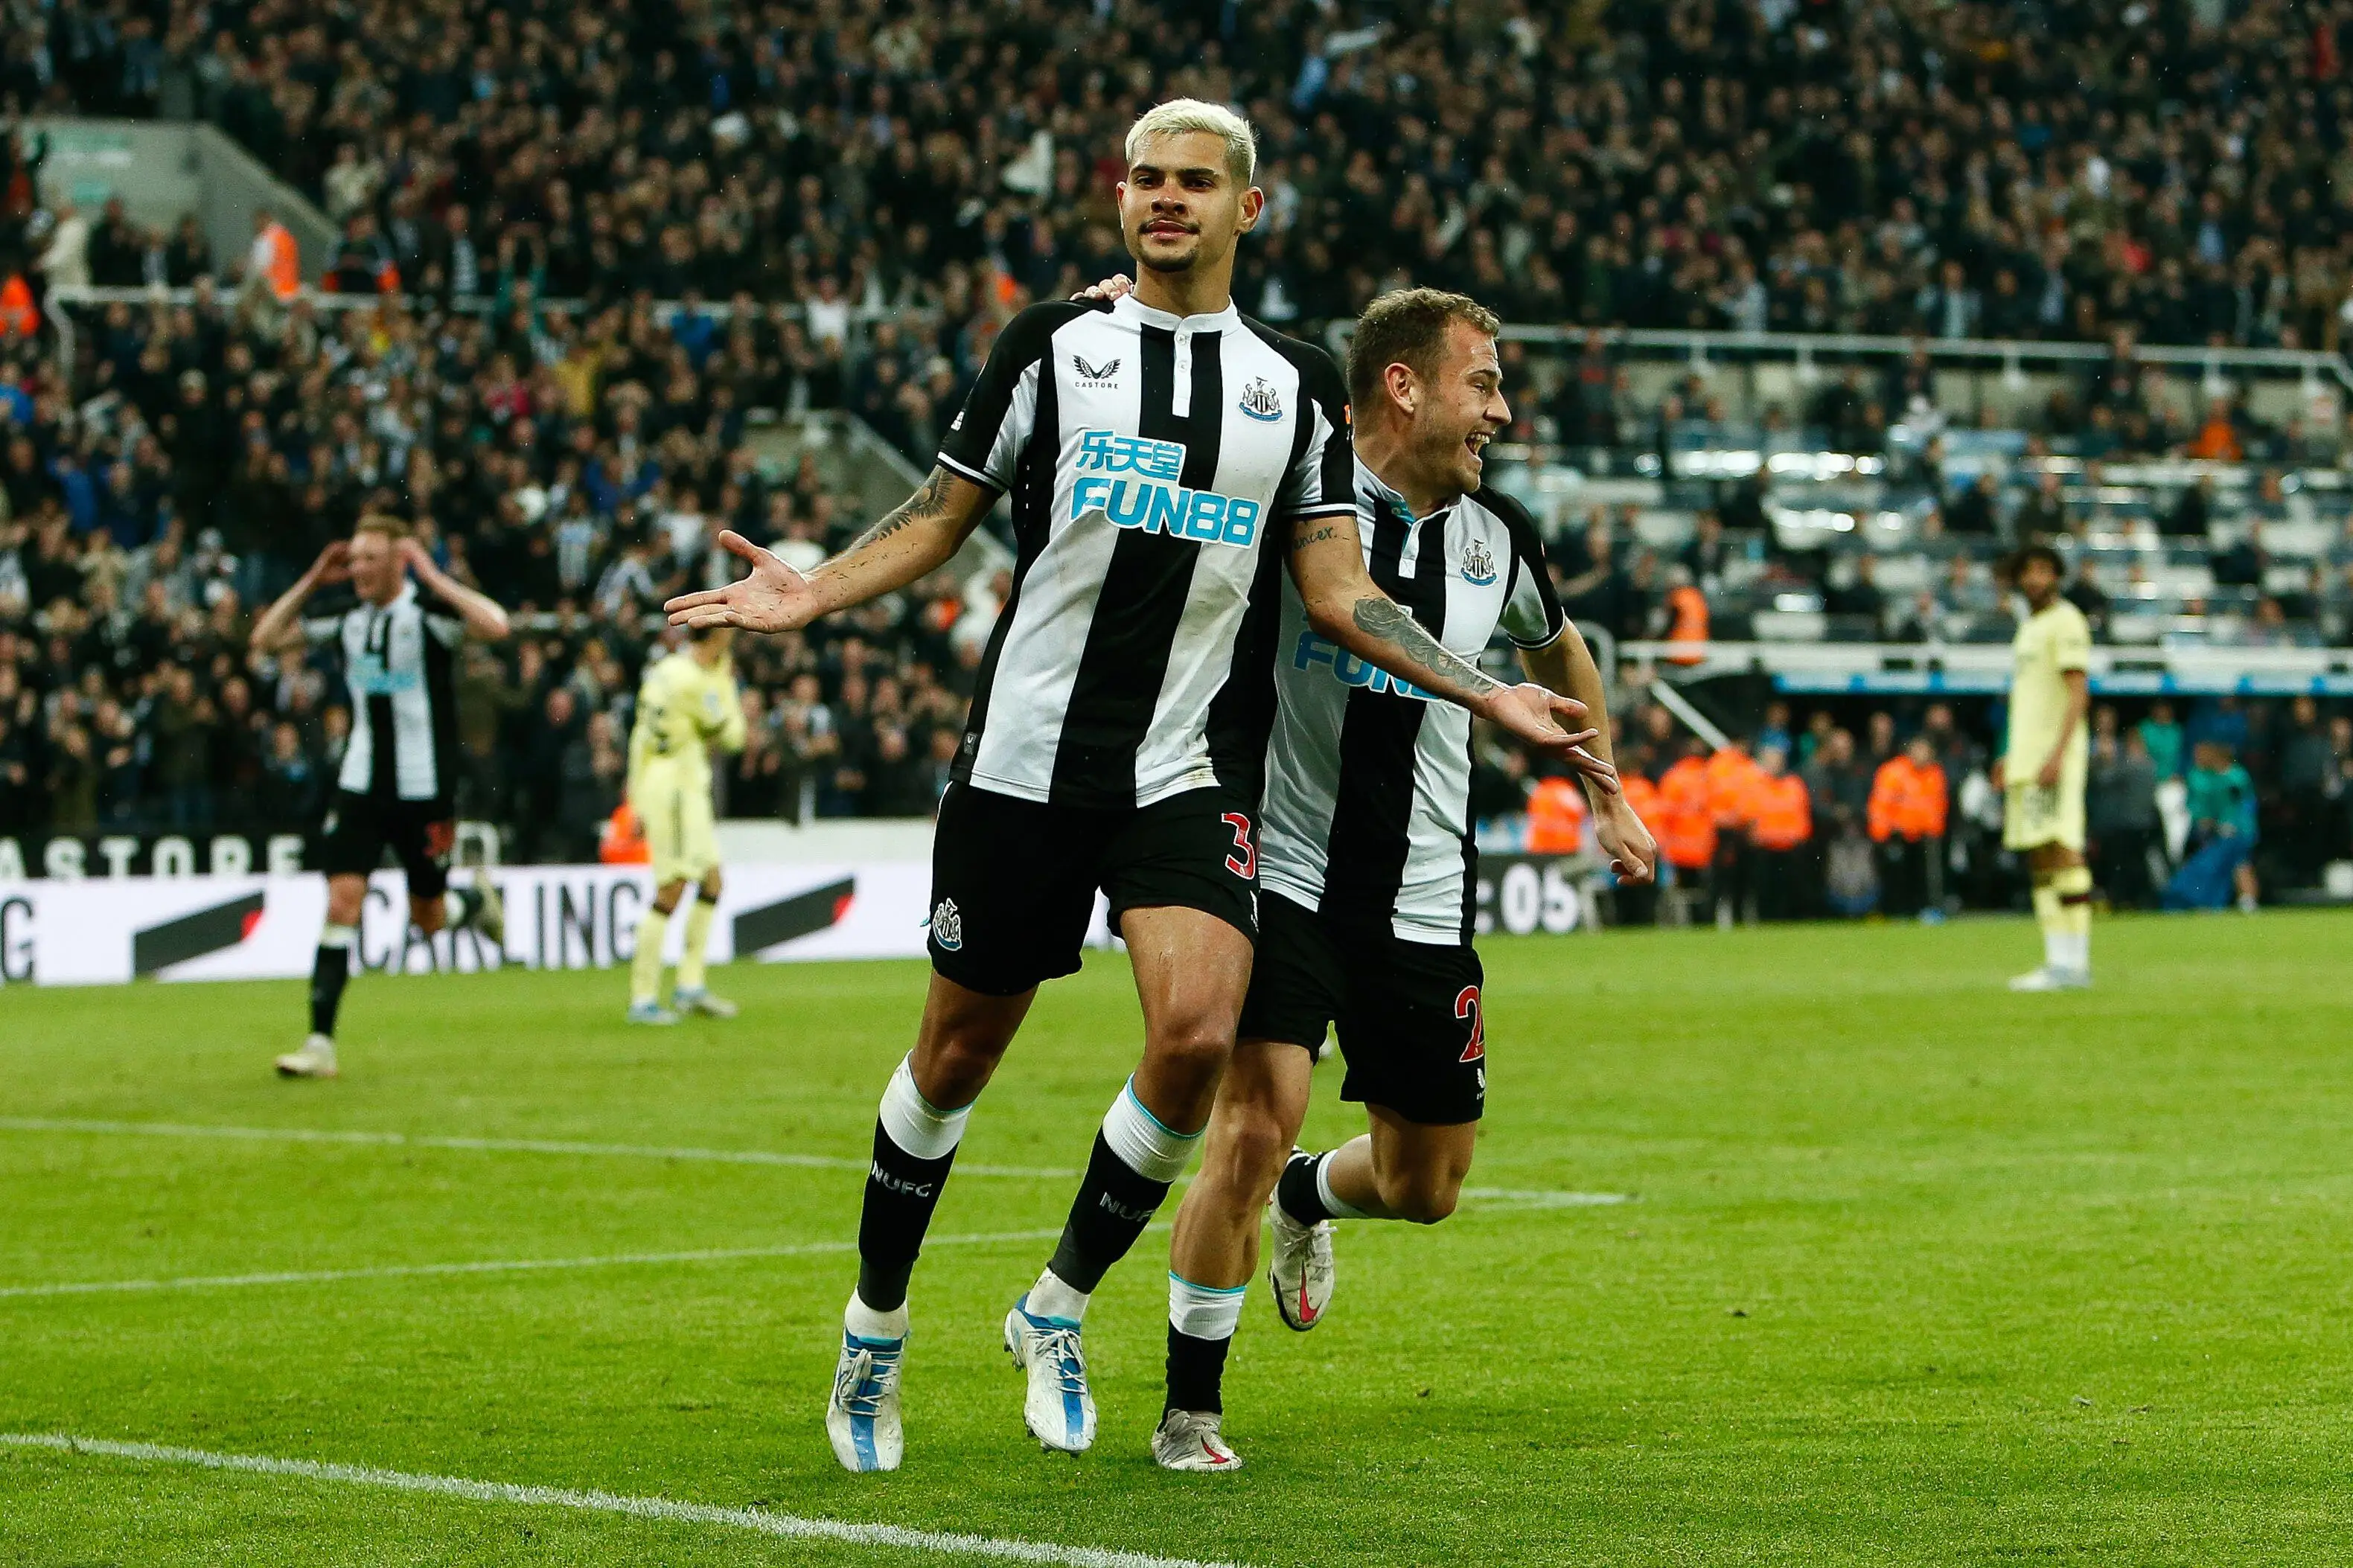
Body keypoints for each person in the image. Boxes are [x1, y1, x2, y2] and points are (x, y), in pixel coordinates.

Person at [663, 101, 1607, 1476]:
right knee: (955, 1057)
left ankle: (1054, 1306)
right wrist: (812, 590)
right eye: (1144, 181)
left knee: (1193, 1030)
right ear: (1121, 200)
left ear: (1247, 208)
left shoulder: (1287, 382)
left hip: (1182, 766)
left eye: (1193, 183)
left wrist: (1491, 691)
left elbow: (1339, 591)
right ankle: (873, 1330)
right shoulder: (1053, 342)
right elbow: (942, 512)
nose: (1163, 200)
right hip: (1026, 757)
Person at [1154, 287, 1656, 1472]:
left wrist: (1607, 781)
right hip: (1275, 865)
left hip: (1425, 890)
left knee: (1427, 1184)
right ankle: (1190, 1410)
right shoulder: (1296, 499)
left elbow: (1554, 641)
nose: (1503, 409)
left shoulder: (1497, 534)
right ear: (1403, 384)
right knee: (1246, 1117)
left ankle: (1308, 1196)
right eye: (1482, 383)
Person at [247, 517, 510, 1078]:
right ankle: (320, 1042)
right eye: (355, 558)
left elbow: (497, 626)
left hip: (426, 790)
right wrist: (313, 581)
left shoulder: (430, 618)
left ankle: (475, 904)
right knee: (342, 903)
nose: (358, 569)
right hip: (361, 783)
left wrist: (433, 574)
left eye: (371, 558)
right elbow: (264, 639)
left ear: (397, 563)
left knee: (430, 918)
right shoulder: (346, 618)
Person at [624, 626, 747, 1024]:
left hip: (671, 785)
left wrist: (637, 797)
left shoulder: (664, 671)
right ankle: (643, 998)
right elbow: (731, 737)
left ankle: (690, 985)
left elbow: (639, 737)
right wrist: (725, 684)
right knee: (672, 888)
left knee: (712, 882)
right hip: (677, 789)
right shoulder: (697, 682)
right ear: (718, 638)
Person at [1996, 544, 2095, 989]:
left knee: (2062, 846)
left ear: (2057, 576)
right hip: (2027, 761)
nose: (2035, 579)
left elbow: (2077, 692)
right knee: (2038, 856)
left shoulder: (2067, 621)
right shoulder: (2029, 627)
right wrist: (2010, 754)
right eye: (2028, 571)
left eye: (2044, 570)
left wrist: (2057, 753)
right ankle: (2056, 959)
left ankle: (2076, 962)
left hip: (2055, 758)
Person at [1747, 743, 1812, 921]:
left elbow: (1802, 815)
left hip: (1791, 848)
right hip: (1765, 848)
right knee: (1765, 890)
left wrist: (1799, 837)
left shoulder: (1794, 785)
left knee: (1791, 891)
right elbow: (1750, 816)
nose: (1775, 764)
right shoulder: (1756, 785)